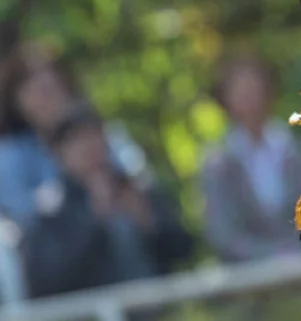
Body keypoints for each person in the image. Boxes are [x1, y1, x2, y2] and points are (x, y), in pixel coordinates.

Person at [17, 106, 194, 298]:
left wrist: (149, 222)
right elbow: (48, 280)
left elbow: (185, 248)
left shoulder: (138, 189)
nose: (89, 148)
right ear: (59, 153)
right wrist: (94, 222)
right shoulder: (50, 209)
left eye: (93, 137)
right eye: (77, 141)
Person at [200, 54, 301, 262]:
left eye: (254, 88)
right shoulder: (218, 163)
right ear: (225, 100)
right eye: (241, 91)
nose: (249, 98)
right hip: (251, 278)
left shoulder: (298, 151)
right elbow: (223, 234)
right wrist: (273, 258)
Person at [0, 43, 146, 227]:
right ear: (17, 102)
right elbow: (25, 220)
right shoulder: (10, 158)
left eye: (50, 88)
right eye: (34, 92)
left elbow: (138, 176)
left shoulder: (105, 133)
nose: (44, 99)